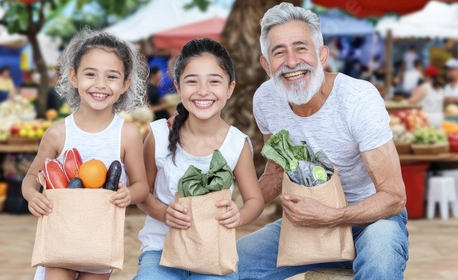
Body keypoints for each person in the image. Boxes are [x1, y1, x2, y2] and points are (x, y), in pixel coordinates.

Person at [237, 3, 408, 279]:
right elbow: (276, 172)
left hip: (373, 219)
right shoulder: (265, 99)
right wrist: (236, 210)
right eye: (279, 52)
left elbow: (394, 197)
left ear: (322, 54)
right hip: (306, 224)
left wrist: (331, 216)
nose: (291, 62)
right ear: (266, 64)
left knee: (380, 257)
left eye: (301, 48)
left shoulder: (358, 98)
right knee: (228, 265)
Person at [22, 28, 149, 280]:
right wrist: (30, 197)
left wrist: (129, 194)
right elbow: (31, 178)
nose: (100, 85)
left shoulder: (128, 134)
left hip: (99, 241)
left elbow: (142, 186)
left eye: (111, 77)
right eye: (90, 74)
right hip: (60, 237)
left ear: (125, 84)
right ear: (74, 76)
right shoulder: (58, 133)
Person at [134, 38, 265, 280]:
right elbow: (142, 193)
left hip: (213, 253)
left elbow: (255, 200)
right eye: (192, 81)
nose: (203, 91)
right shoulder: (158, 136)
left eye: (214, 81)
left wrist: (240, 215)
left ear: (230, 88)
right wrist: (163, 213)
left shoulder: (237, 144)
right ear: (178, 86)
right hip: (161, 252)